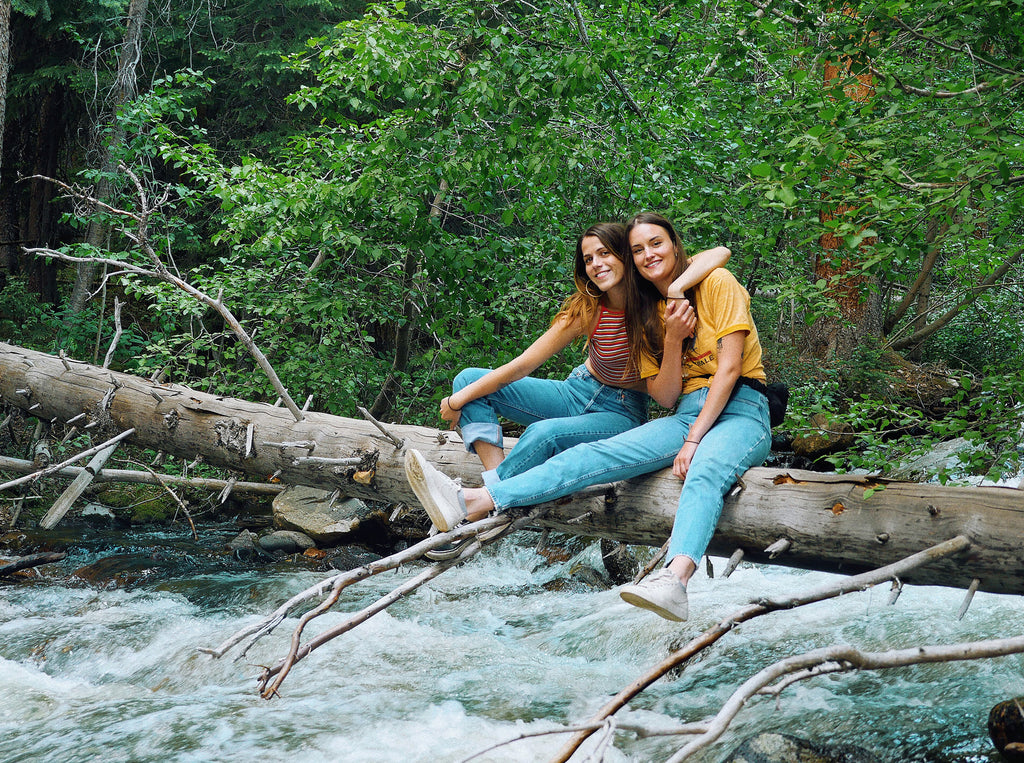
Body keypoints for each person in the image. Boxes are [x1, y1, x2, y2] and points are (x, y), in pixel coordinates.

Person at [406, 213, 771, 622]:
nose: (648, 254)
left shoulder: (712, 286)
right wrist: (671, 338)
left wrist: (692, 439)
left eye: (656, 243)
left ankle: (675, 580)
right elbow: (668, 398)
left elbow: (730, 366)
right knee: (591, 455)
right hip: (684, 411)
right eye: (638, 250)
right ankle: (475, 500)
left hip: (741, 408)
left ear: (674, 244)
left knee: (703, 470)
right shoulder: (650, 313)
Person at [437, 222, 728, 484]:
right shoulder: (587, 309)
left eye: (604, 254)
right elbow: (521, 366)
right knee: (468, 381)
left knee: (543, 434)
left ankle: (490, 496)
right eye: (588, 259)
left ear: (625, 256)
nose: (596, 264)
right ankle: (495, 482)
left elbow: (719, 253)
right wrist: (457, 400)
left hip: (621, 411)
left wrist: (677, 287)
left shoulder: (656, 298)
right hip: (575, 391)